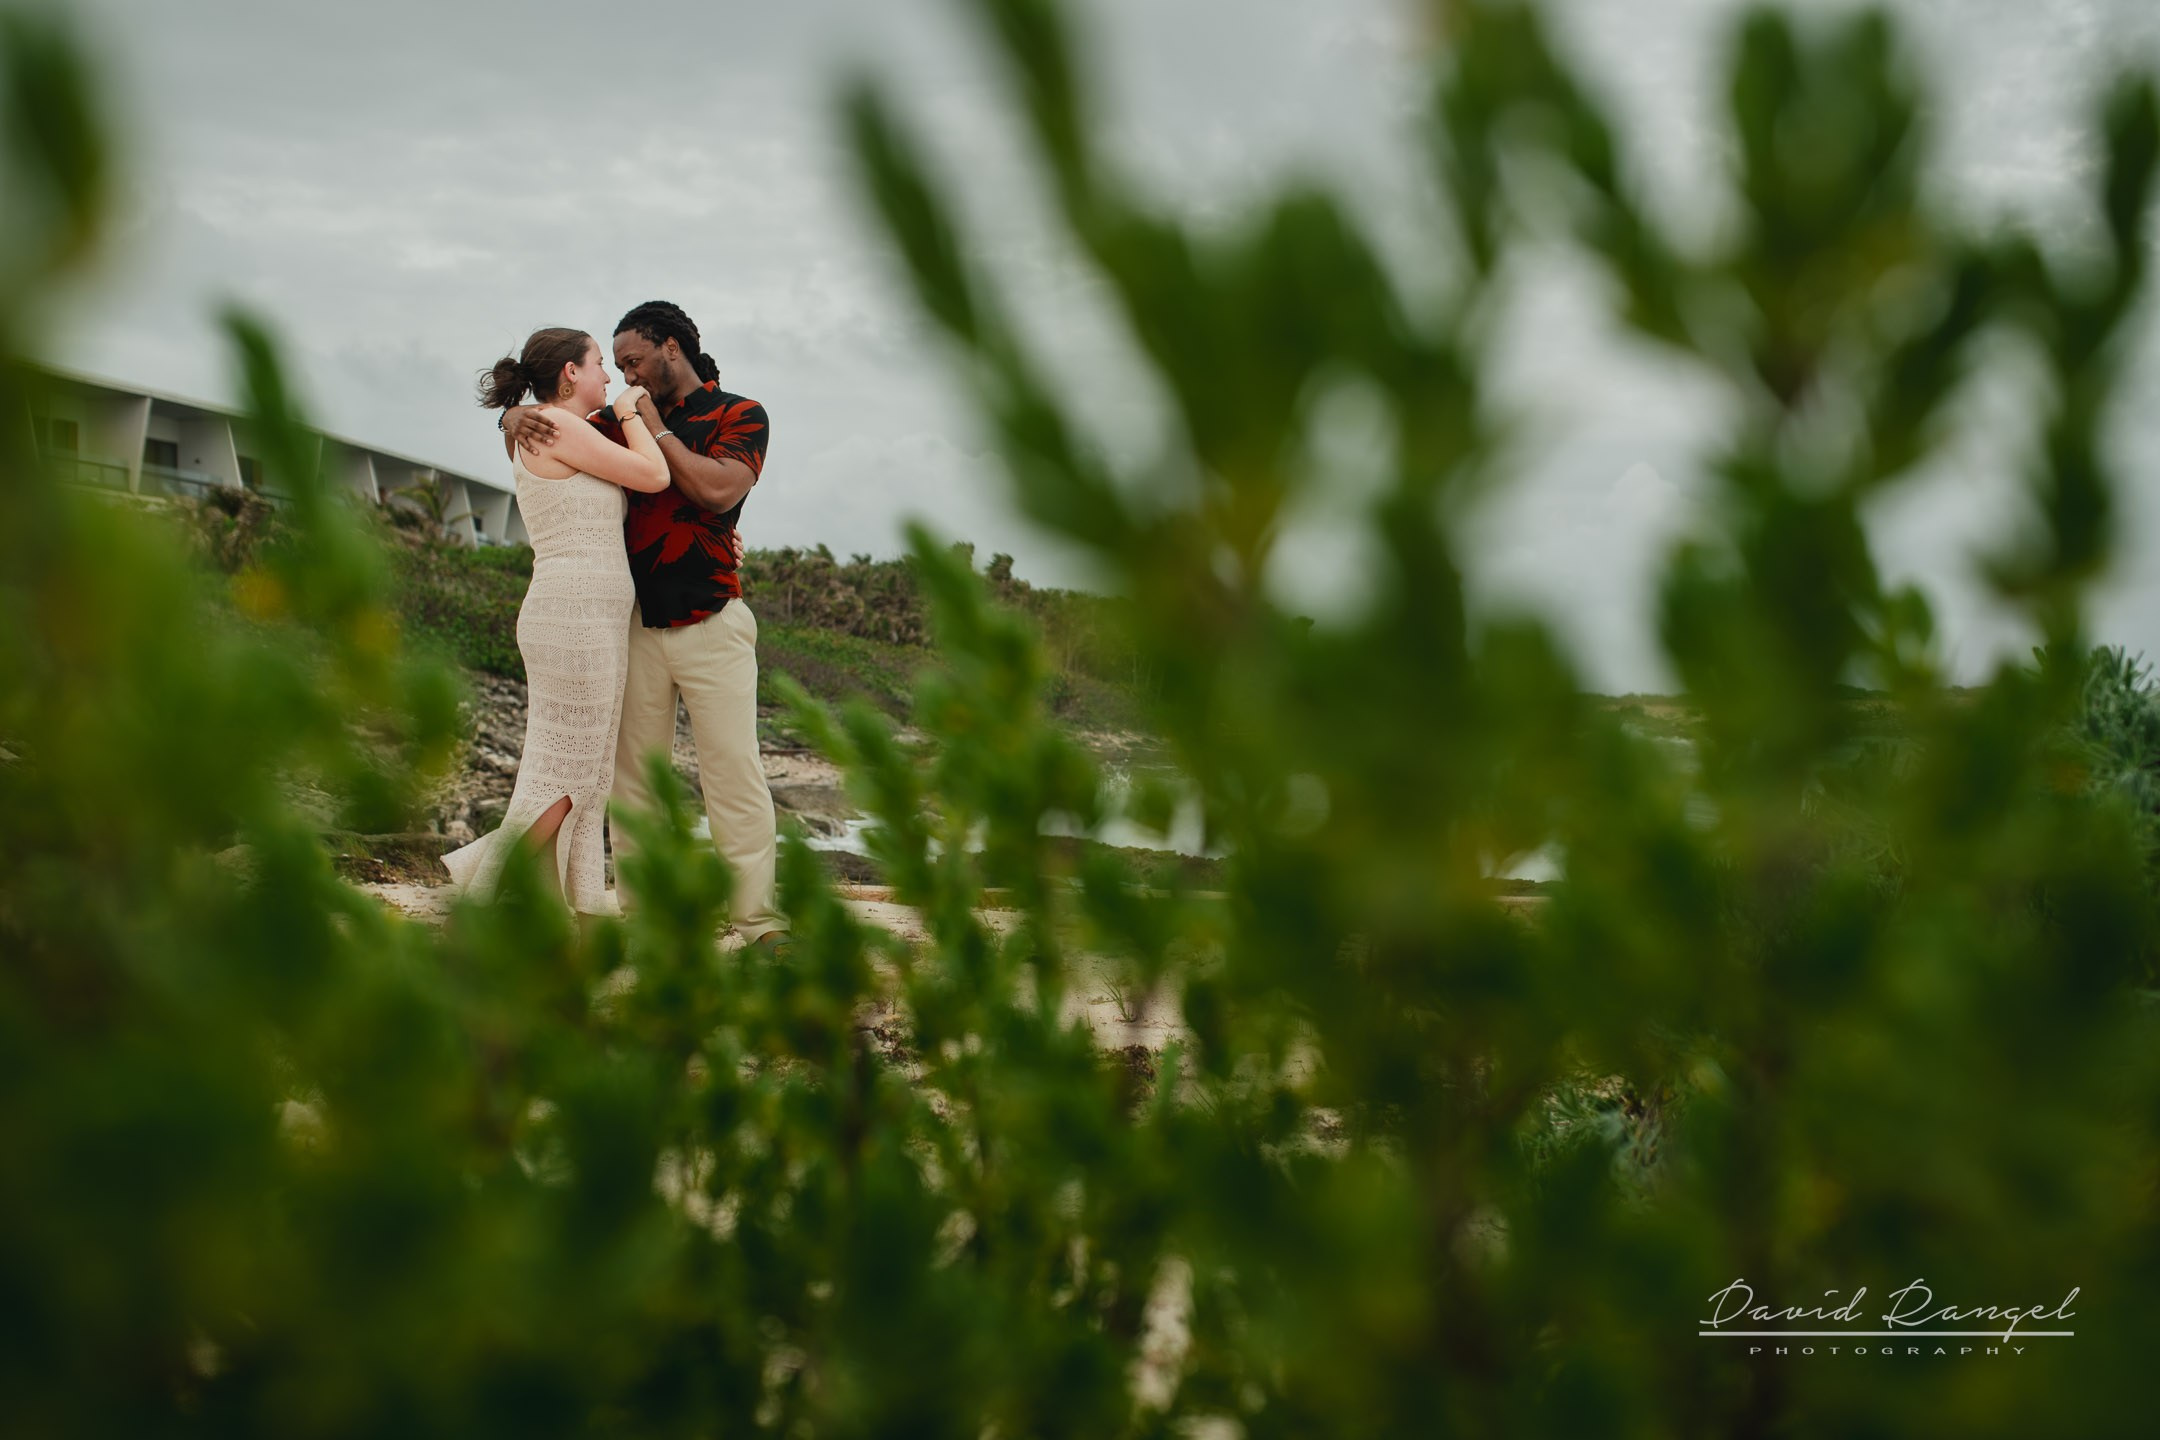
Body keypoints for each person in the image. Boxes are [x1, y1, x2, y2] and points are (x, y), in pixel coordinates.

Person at [501, 301, 790, 956]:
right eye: (615, 364)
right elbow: (552, 425)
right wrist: (512, 412)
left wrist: (654, 426)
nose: (623, 375)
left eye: (631, 360)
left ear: (670, 350)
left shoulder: (740, 415)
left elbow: (716, 492)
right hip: (628, 626)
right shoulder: (610, 417)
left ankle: (760, 924)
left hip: (712, 619)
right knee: (632, 784)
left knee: (732, 775)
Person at [443, 327, 671, 914]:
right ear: (571, 373)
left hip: (586, 614)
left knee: (586, 778)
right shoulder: (560, 425)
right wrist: (632, 412)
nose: (609, 376)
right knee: (568, 776)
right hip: (574, 615)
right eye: (599, 364)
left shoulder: (542, 425)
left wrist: (509, 416)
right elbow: (654, 475)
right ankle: (487, 894)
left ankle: (565, 915)